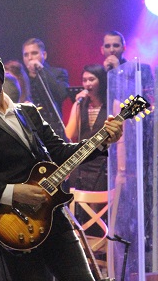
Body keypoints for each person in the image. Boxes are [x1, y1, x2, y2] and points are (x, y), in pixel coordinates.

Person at [0, 49, 123, 281]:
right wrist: (13, 193)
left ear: (0, 76)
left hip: (53, 215)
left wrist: (102, 142)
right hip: (14, 223)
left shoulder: (28, 112)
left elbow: (60, 152)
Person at [65, 64, 109, 237]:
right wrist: (76, 106)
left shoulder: (110, 104)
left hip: (102, 164)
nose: (88, 84)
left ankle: (97, 244)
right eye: (84, 80)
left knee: (97, 212)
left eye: (92, 79)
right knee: (78, 210)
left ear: (101, 81)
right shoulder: (80, 105)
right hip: (82, 164)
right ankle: (82, 244)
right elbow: (70, 134)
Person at [22, 38, 69, 139]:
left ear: (44, 55)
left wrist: (42, 71)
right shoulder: (21, 77)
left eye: (34, 53)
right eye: (26, 55)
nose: (30, 58)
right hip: (29, 129)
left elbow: (61, 94)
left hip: (52, 129)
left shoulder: (58, 73)